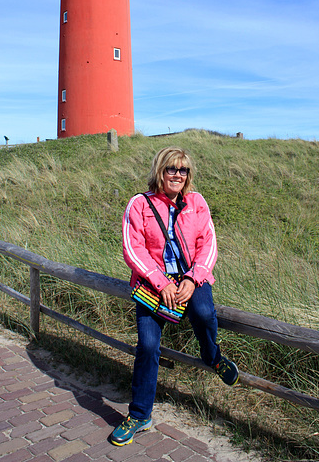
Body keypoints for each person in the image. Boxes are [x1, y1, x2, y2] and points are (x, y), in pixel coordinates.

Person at [110, 146, 239, 446]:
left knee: (205, 313)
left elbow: (208, 243)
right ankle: (140, 414)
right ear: (159, 171)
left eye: (183, 170)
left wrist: (194, 279)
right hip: (154, 284)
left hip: (191, 277)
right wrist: (159, 282)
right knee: (148, 343)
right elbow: (133, 248)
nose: (178, 175)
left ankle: (213, 358)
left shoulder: (196, 202)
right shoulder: (139, 204)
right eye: (172, 169)